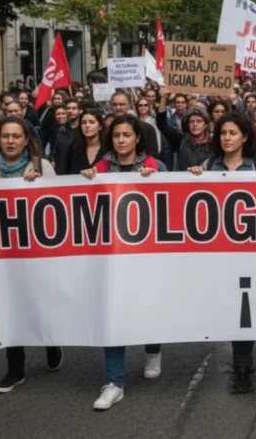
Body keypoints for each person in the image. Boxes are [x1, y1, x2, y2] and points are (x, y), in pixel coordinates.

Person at [81, 115, 166, 410]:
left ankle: (153, 348)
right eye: (116, 135)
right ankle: (114, 382)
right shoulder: (100, 168)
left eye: (126, 135)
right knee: (112, 312)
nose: (120, 140)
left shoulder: (156, 167)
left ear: (137, 138)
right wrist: (86, 179)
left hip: (147, 253)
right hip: (111, 254)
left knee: (147, 306)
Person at [188, 111, 256, 394]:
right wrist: (194, 178)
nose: (227, 138)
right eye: (223, 133)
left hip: (250, 252)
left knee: (245, 310)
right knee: (229, 308)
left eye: (233, 133)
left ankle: (243, 367)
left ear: (245, 137)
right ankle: (241, 364)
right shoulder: (209, 166)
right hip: (218, 255)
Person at [0, 117, 63, 393]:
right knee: (7, 307)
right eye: (6, 136)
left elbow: (58, 208)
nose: (11, 141)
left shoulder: (42, 167)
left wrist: (39, 185)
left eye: (17, 136)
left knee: (42, 300)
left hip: (38, 251)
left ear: (27, 140)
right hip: (2, 254)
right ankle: (15, 368)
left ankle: (52, 341)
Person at [156, 88, 211, 171]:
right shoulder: (180, 140)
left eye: (199, 121)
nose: (195, 124)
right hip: (184, 182)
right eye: (191, 121)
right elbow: (162, 123)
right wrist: (163, 98)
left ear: (206, 124)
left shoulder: (214, 143)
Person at [110, 92, 160, 159]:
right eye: (115, 105)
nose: (118, 107)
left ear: (129, 106)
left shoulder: (146, 128)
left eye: (122, 104)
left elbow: (152, 157)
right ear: (110, 106)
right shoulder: (107, 127)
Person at [62, 108, 107, 175]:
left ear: (100, 126)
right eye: (84, 122)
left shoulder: (108, 149)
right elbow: (66, 173)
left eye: (92, 122)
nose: (87, 126)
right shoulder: (74, 148)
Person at [52, 98, 82, 172]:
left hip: (79, 174)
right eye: (68, 108)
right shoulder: (61, 130)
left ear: (80, 111)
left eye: (74, 108)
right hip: (62, 173)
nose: (71, 111)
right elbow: (56, 151)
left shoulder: (84, 130)